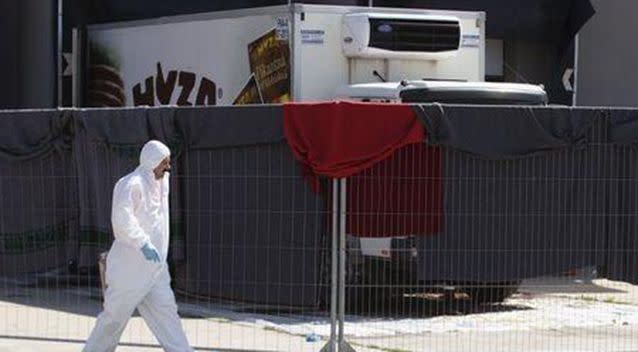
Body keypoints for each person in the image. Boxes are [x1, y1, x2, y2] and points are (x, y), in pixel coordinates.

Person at [84, 140, 193, 352]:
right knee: (113, 320)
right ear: (151, 161)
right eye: (164, 163)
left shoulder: (162, 182)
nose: (168, 167)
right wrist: (143, 243)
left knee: (167, 316)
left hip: (155, 271)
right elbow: (122, 220)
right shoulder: (131, 184)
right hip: (130, 271)